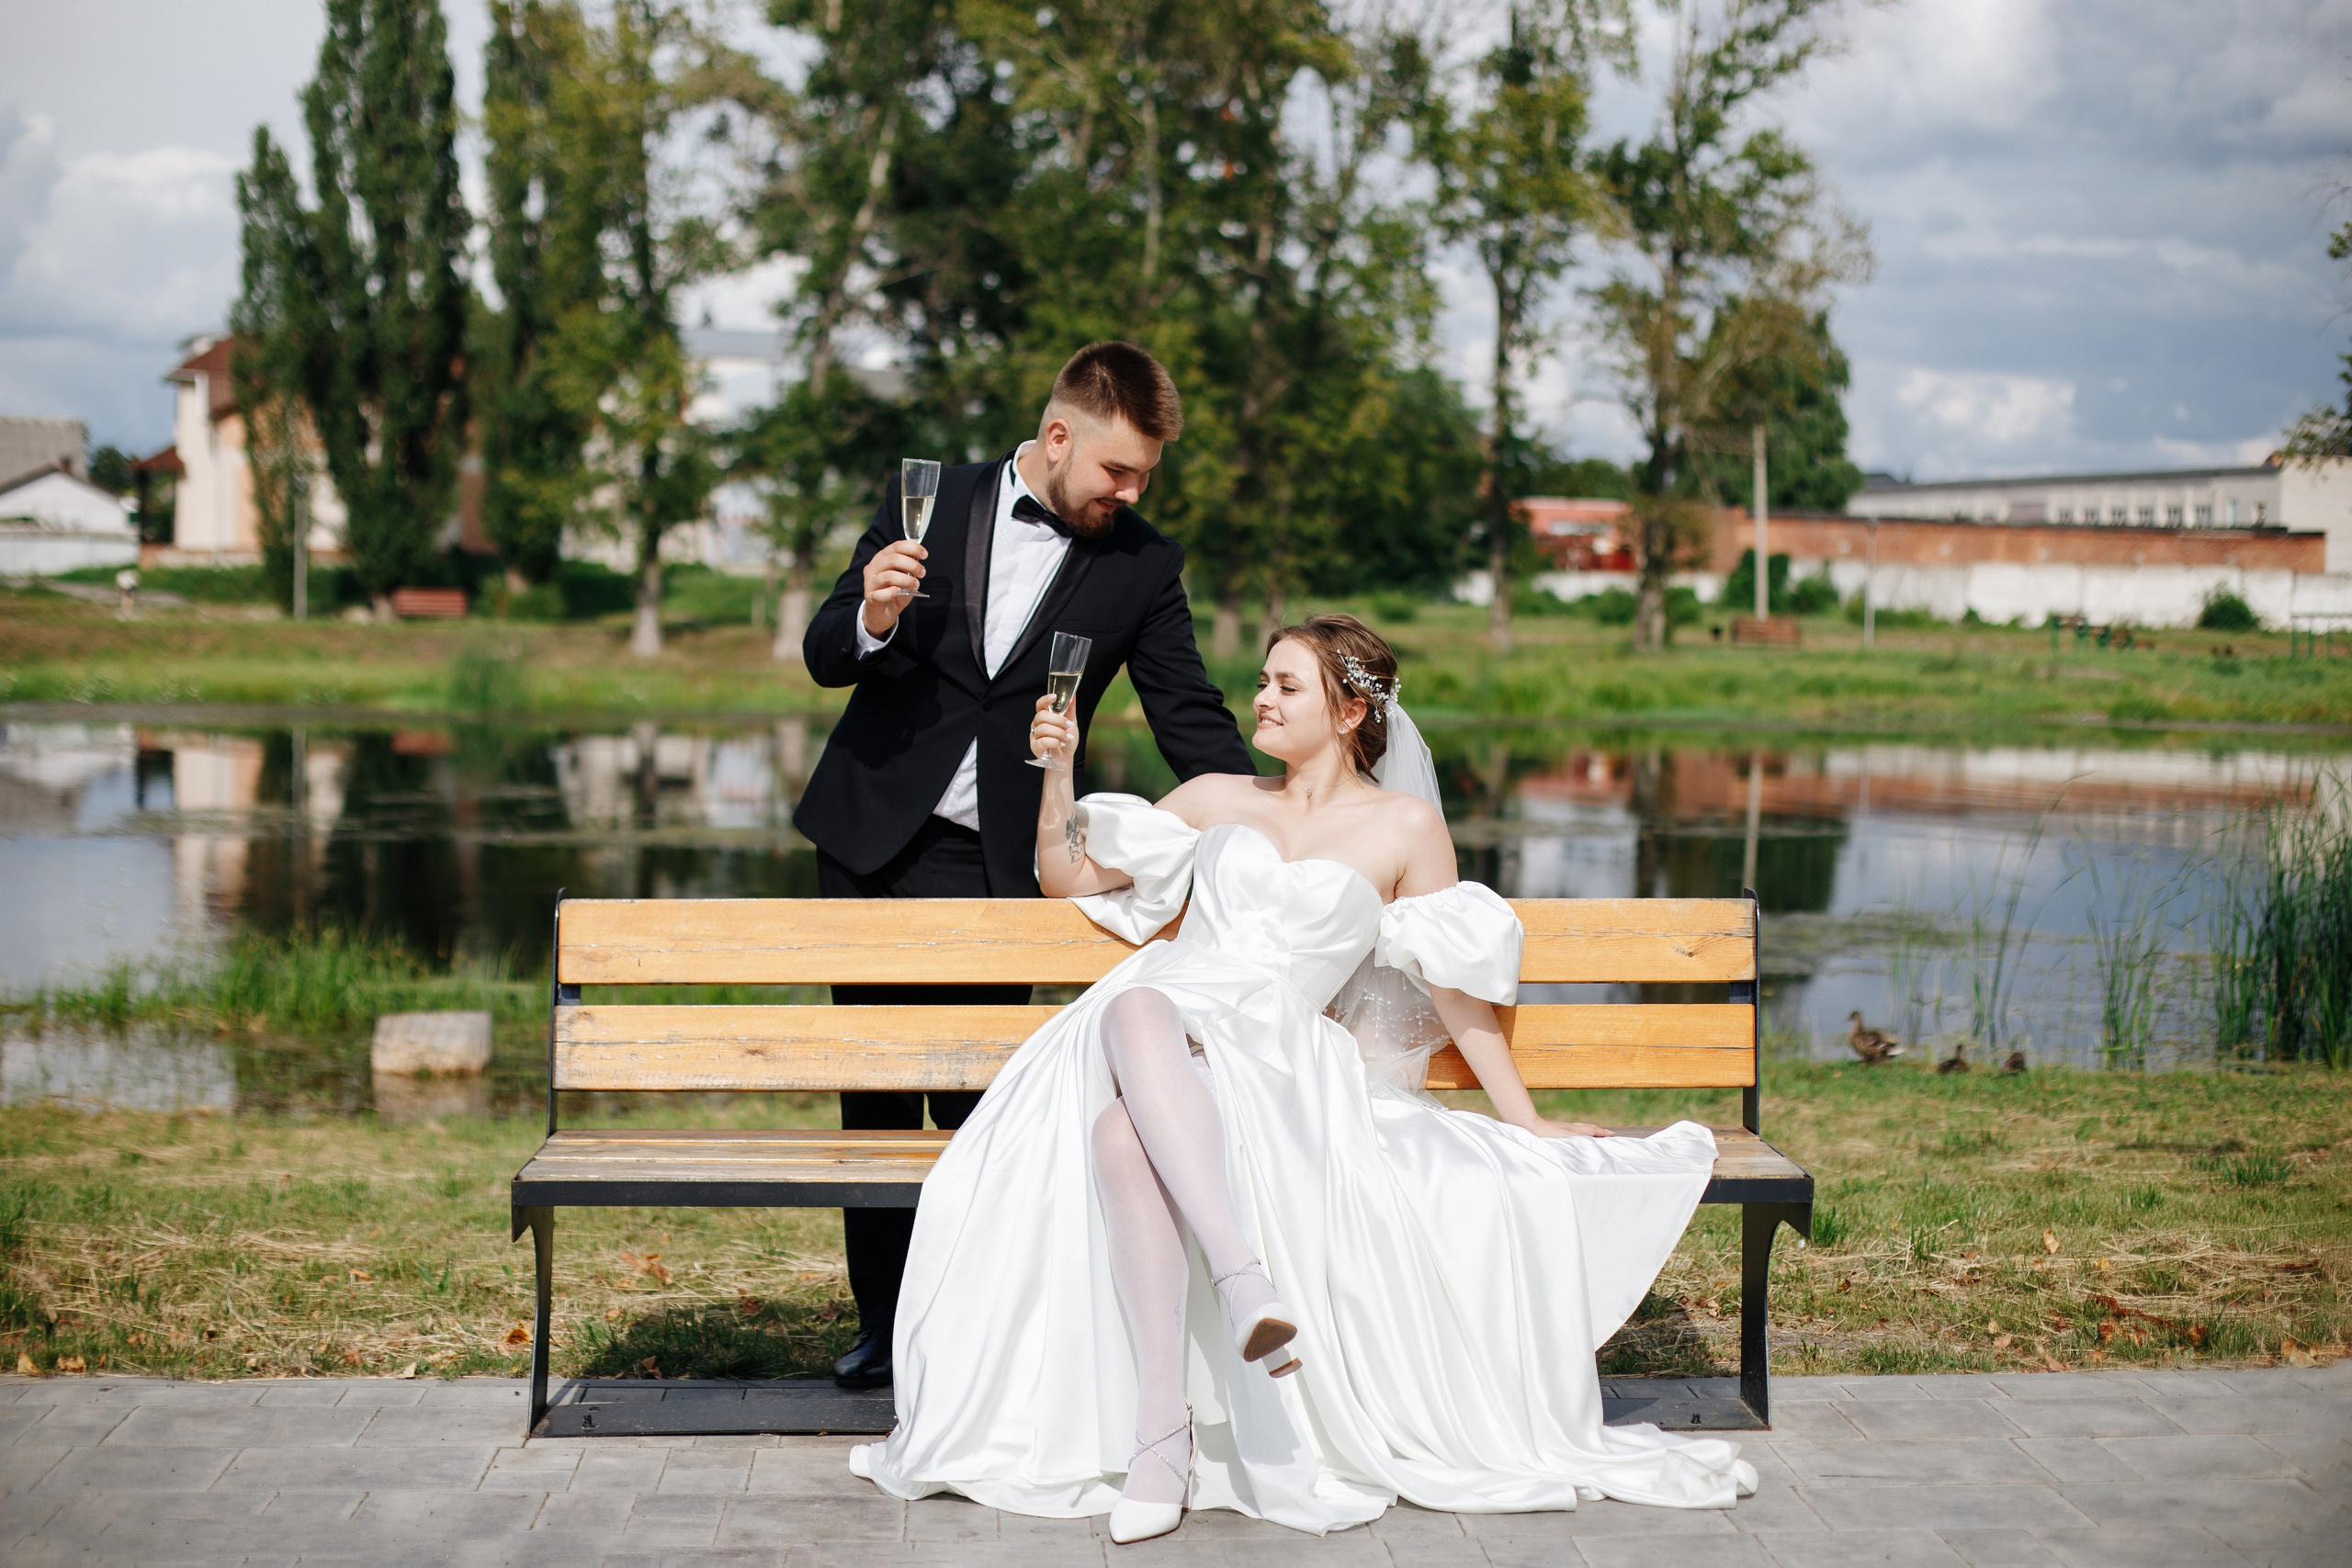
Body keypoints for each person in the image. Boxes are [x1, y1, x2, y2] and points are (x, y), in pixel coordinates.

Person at [846, 613, 1756, 1541]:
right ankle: (1241, 1289)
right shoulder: (1211, 796)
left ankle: (1164, 1440)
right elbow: (1063, 874)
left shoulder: (1404, 827)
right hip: (1159, 1021)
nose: (1260, 700)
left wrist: (1523, 1120)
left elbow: (1454, 987)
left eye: (1286, 685)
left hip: (1279, 1056)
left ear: (1352, 708)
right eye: (1263, 682)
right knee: (1135, 1006)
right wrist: (1060, 771)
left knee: (1122, 1136)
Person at [793, 341, 1251, 1390]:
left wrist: (1264, 826)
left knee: (974, 1101)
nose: (1128, 493)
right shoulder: (929, 502)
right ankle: (881, 1330)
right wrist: (869, 612)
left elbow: (1189, 717)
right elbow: (824, 652)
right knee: (873, 1093)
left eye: (1142, 477)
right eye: (1116, 472)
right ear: (1058, 436)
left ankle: (965, 1327)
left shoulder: (1141, 565)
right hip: (866, 841)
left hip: (996, 864)